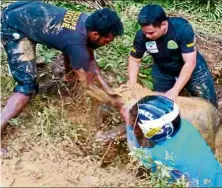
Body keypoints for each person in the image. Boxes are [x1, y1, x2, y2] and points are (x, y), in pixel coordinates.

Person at [0, 1, 124, 132]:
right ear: (95, 35)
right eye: (107, 41)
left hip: (27, 11)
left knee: (71, 49)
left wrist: (108, 89)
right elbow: (88, 86)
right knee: (27, 88)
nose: (107, 44)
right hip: (13, 25)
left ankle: (69, 78)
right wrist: (114, 102)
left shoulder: (86, 22)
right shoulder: (77, 44)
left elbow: (91, 62)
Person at [122, 95, 222, 187]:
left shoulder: (159, 155)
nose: (134, 127)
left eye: (136, 125)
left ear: (151, 130)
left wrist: (128, 124)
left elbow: (135, 154)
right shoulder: (186, 126)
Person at [128, 4, 217, 107]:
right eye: (145, 32)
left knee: (208, 105)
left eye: (151, 33)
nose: (147, 36)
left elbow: (190, 63)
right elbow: (134, 60)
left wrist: (175, 90)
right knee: (159, 105)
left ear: (164, 24)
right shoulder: (142, 36)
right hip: (163, 70)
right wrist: (132, 85)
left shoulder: (182, 28)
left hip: (192, 68)